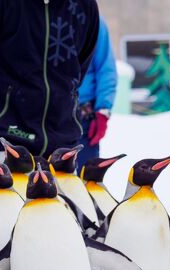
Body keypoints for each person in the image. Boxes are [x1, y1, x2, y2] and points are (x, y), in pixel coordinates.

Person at [0, 0, 99, 168]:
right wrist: (1, 103)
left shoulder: (85, 5)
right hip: (6, 139)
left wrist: (64, 97)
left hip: (62, 141)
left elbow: (80, 66)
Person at [76, 16, 117, 172]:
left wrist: (103, 110)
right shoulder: (37, 15)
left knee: (87, 179)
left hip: (83, 117)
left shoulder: (92, 21)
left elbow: (106, 69)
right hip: (44, 119)